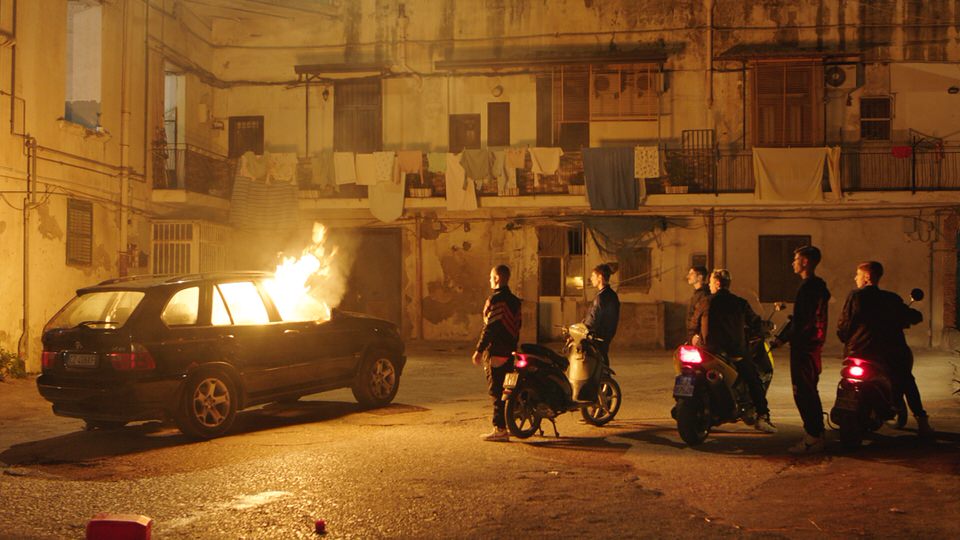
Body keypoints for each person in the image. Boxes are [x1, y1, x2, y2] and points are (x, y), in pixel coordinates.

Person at [836, 261, 933, 438]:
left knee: (848, 379)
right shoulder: (891, 299)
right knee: (906, 380)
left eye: (858, 275)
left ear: (867, 277)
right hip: (888, 354)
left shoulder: (855, 296)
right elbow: (913, 316)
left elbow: (845, 323)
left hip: (858, 351)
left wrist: (845, 338)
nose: (855, 278)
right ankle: (922, 421)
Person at [692, 269, 777, 433]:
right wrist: (767, 327)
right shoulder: (739, 303)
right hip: (734, 352)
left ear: (717, 283)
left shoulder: (704, 302)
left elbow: (693, 325)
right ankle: (763, 415)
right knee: (753, 379)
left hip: (707, 351)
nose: (709, 285)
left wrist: (693, 338)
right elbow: (755, 323)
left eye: (711, 282)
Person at [774, 246, 831, 454]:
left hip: (804, 347)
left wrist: (782, 339)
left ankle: (813, 436)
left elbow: (802, 321)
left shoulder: (808, 288)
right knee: (809, 389)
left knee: (803, 391)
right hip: (812, 346)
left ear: (805, 262)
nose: (793, 263)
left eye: (796, 259)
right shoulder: (817, 287)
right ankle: (816, 433)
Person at [472, 264, 522, 442]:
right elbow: (517, 327)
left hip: (496, 351)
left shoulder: (496, 300)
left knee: (496, 391)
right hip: (510, 350)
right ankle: (509, 424)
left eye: (491, 277)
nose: (489, 280)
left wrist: (479, 350)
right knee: (507, 389)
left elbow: (490, 328)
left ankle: (500, 428)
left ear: (497, 278)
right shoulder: (515, 301)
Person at [583, 263, 620, 363]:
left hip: (597, 337)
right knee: (602, 361)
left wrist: (584, 329)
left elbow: (593, 319)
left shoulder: (601, 297)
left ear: (600, 277)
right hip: (606, 336)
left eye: (593, 276)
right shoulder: (612, 295)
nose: (591, 278)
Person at [686, 265, 710, 343]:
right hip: (694, 336)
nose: (688, 276)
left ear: (700, 277)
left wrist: (696, 335)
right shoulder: (697, 294)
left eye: (691, 274)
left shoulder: (704, 295)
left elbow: (701, 316)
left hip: (697, 338)